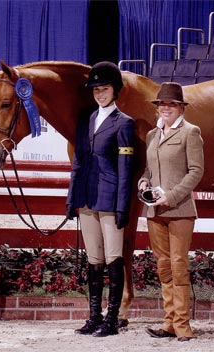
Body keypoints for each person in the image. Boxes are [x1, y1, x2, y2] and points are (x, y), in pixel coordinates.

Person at [66, 61, 135, 337]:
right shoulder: (87, 120)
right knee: (94, 259)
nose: (99, 93)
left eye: (104, 88)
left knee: (113, 258)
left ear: (115, 90)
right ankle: (94, 316)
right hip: (87, 198)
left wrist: (122, 206)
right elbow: (78, 162)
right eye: (96, 89)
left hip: (109, 199)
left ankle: (112, 318)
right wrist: (72, 199)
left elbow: (126, 171)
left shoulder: (124, 123)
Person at [138, 82, 204, 342]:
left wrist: (172, 195)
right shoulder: (152, 136)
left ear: (180, 107)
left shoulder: (191, 132)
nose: (166, 108)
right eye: (162, 104)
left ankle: (183, 325)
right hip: (154, 211)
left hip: (179, 210)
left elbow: (196, 171)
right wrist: (143, 182)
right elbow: (148, 170)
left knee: (178, 266)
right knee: (163, 267)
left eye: (171, 104)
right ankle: (169, 322)